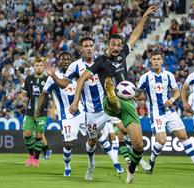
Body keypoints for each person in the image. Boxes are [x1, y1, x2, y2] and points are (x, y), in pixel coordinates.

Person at [69, 6, 158, 183]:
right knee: (93, 139)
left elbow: (135, 35)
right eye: (113, 44)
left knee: (139, 145)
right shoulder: (100, 61)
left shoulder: (123, 54)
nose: (117, 47)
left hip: (127, 103)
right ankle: (111, 92)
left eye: (119, 45)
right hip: (107, 104)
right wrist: (75, 100)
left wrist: (144, 17)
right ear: (108, 45)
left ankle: (131, 167)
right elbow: (81, 79)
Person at [44, 37, 124, 181]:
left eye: (91, 45)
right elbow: (63, 84)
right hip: (91, 112)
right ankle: (90, 163)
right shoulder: (75, 66)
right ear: (81, 49)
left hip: (107, 106)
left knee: (123, 129)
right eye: (85, 46)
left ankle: (119, 162)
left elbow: (114, 80)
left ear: (94, 47)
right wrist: (53, 75)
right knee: (92, 140)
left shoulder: (103, 61)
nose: (88, 48)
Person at [137, 50, 194, 175]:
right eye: (154, 59)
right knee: (162, 140)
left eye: (158, 59)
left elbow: (177, 92)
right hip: (156, 114)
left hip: (169, 112)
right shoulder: (145, 77)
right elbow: (137, 93)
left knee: (183, 136)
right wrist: (134, 94)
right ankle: (152, 160)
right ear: (150, 61)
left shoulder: (168, 75)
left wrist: (171, 100)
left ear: (162, 61)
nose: (156, 62)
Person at [35, 52, 86, 176]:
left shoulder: (77, 74)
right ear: (60, 61)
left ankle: (114, 163)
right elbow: (44, 93)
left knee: (97, 135)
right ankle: (67, 166)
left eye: (69, 59)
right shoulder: (53, 76)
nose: (66, 61)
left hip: (82, 111)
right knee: (68, 144)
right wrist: (38, 111)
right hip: (66, 115)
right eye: (64, 59)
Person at [22, 56, 52, 167]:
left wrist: (53, 108)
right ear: (33, 67)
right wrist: (24, 99)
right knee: (27, 134)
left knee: (39, 135)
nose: (39, 67)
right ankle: (31, 155)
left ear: (43, 67)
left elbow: (53, 95)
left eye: (40, 65)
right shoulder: (28, 79)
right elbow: (24, 94)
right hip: (30, 111)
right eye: (37, 65)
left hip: (43, 112)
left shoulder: (48, 79)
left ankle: (36, 158)